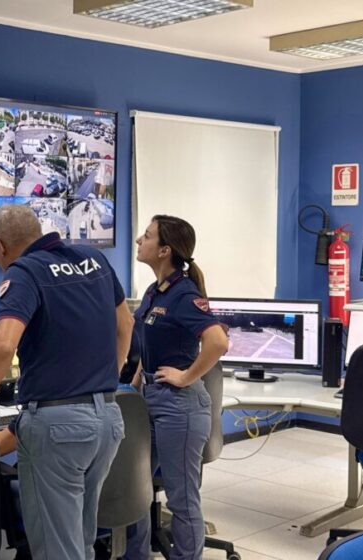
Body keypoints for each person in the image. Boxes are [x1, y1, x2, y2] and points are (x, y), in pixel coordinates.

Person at [0, 205, 133, 560]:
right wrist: (105, 381)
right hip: (108, 419)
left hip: (59, 429)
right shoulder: (94, 259)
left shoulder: (24, 272)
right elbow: (125, 325)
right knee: (80, 540)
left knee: (58, 550)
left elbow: (3, 344)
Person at [123, 215, 229, 560]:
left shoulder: (184, 294)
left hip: (179, 406)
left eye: (147, 236)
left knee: (181, 499)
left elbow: (218, 342)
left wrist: (186, 376)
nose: (139, 240)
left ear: (164, 250)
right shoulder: (155, 291)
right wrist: (135, 384)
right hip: (149, 399)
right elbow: (149, 343)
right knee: (136, 490)